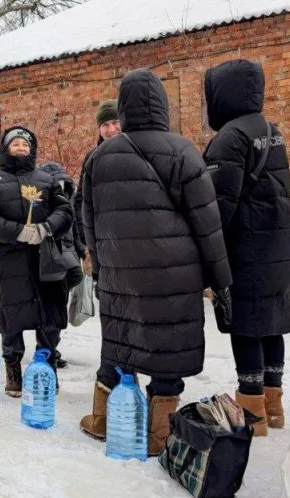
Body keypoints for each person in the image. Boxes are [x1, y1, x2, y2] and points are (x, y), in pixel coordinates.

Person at [79, 69, 232, 451]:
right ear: (163, 105)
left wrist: (101, 269)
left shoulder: (99, 158)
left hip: (120, 274)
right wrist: (220, 278)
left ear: (124, 108)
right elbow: (207, 223)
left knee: (119, 343)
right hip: (174, 276)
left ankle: (103, 419)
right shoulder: (183, 151)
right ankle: (159, 435)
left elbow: (89, 221)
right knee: (168, 351)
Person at [203, 59, 290, 436]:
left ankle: (252, 411)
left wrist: (208, 251)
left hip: (246, 248)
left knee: (246, 326)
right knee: (271, 325)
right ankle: (274, 406)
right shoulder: (271, 131)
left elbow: (217, 205)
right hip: (277, 244)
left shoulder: (230, 137)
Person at [0, 127, 73, 397]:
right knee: (12, 319)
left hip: (45, 260)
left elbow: (65, 210)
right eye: (15, 143)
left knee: (49, 318)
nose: (20, 148)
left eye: (25, 144)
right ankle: (13, 370)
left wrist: (46, 228)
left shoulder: (46, 180)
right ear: (5, 149)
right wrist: (17, 231)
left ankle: (47, 369)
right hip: (10, 262)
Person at [38, 161, 86, 369]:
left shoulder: (68, 196)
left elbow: (73, 225)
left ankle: (49, 349)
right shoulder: (43, 198)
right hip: (52, 257)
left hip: (67, 255)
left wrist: (80, 248)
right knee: (51, 309)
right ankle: (47, 350)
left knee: (56, 310)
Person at [74, 99, 122, 256]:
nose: (111, 129)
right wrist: (86, 235)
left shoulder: (140, 150)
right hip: (104, 239)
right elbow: (81, 199)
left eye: (115, 122)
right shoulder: (92, 158)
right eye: (105, 125)